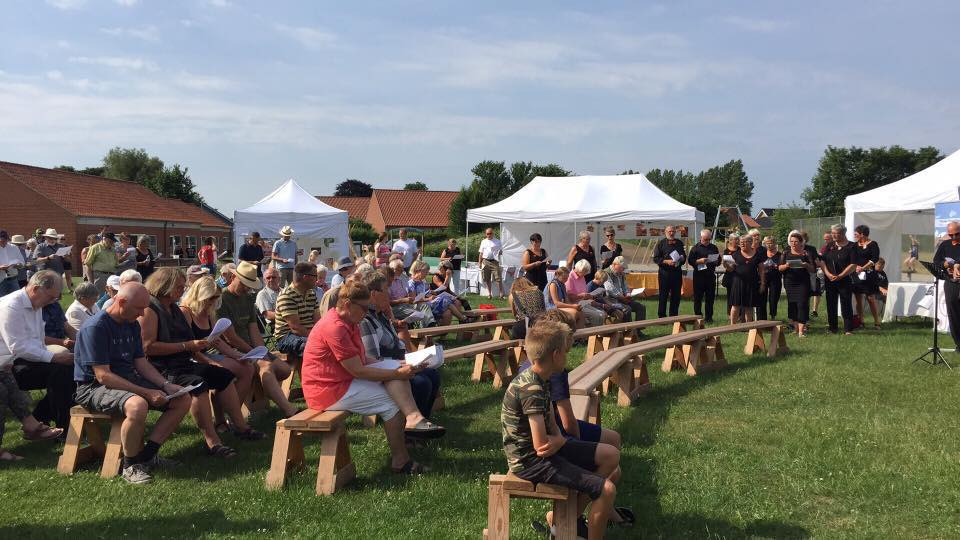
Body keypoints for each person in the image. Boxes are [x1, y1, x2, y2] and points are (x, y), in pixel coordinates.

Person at [501, 320, 624, 538]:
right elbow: (541, 447)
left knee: (611, 455)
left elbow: (552, 424)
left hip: (544, 451)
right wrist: (560, 441)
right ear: (556, 354)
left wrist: (559, 438)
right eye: (565, 353)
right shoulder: (532, 388)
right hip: (529, 462)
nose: (567, 357)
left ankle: (562, 520)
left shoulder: (541, 378)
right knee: (607, 490)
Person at [302, 280, 431, 474]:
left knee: (394, 375)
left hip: (339, 382)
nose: (367, 312)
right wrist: (396, 371)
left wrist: (399, 365)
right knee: (392, 402)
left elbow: (362, 359)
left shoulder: (348, 320)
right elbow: (358, 370)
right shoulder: (335, 327)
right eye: (364, 308)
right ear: (347, 305)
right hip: (327, 391)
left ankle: (414, 418)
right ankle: (401, 460)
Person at [72, 283, 191, 483]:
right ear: (121, 302)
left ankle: (147, 456)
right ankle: (130, 465)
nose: (143, 313)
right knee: (137, 405)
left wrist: (165, 385)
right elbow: (103, 376)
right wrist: (145, 392)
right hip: (92, 387)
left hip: (125, 379)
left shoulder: (132, 324)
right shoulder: (96, 327)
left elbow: (141, 363)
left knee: (182, 399)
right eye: (138, 308)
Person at [139, 267, 264, 458]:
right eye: (179, 287)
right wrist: (187, 346)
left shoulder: (171, 308)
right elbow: (148, 347)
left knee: (224, 376)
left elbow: (192, 344)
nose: (183, 291)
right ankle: (212, 440)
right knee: (198, 385)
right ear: (165, 286)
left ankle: (239, 426)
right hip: (162, 369)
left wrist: (201, 356)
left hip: (181, 362)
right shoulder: (151, 309)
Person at [359, 271, 445, 435]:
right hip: (383, 372)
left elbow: (398, 344)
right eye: (386, 289)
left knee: (432, 375)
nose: (389, 293)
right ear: (374, 294)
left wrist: (410, 357)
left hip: (397, 363)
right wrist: (404, 364)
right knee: (421, 382)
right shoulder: (365, 320)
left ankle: (421, 424)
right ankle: (410, 431)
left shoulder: (381, 315)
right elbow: (373, 359)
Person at [218, 261, 298, 417]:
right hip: (230, 350)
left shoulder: (248, 299)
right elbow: (230, 337)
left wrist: (263, 351)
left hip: (249, 348)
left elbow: (253, 330)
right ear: (233, 277)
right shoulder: (222, 299)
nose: (247, 288)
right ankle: (289, 410)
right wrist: (256, 353)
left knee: (285, 369)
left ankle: (265, 396)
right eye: (244, 284)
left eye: (249, 285)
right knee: (266, 368)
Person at [1, 270, 76, 434]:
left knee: (69, 371)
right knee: (61, 372)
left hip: (18, 360)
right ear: (35, 289)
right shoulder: (11, 307)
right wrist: (54, 357)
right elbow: (18, 347)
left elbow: (37, 340)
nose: (53, 301)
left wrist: (54, 357)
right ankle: (62, 426)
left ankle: (43, 418)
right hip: (7, 366)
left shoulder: (36, 304)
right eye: (51, 297)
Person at [179, 276, 257, 416]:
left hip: (205, 353)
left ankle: (233, 413)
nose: (213, 302)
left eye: (216, 298)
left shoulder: (210, 313)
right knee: (223, 372)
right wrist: (211, 362)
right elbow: (189, 348)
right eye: (210, 298)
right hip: (190, 357)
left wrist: (238, 355)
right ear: (200, 295)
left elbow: (217, 341)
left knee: (247, 368)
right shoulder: (186, 312)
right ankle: (225, 417)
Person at [274, 262, 321, 355]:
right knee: (314, 347)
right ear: (306, 277)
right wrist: (318, 338)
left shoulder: (311, 293)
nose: (317, 280)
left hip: (307, 335)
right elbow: (296, 328)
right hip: (287, 337)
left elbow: (318, 321)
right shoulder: (287, 295)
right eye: (315, 276)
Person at [819, 224, 857, 335]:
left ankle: (848, 329)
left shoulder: (852, 246)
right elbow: (822, 261)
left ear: (843, 233)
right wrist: (828, 273)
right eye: (833, 233)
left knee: (846, 303)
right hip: (830, 279)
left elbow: (853, 264)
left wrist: (841, 275)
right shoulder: (829, 246)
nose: (834, 235)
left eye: (837, 233)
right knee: (831, 303)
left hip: (845, 279)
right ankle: (832, 328)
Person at [408, 261, 470, 326]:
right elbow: (413, 300)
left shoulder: (422, 282)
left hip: (427, 303)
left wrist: (431, 294)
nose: (427, 273)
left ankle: (444, 333)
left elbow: (425, 294)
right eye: (425, 271)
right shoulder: (412, 283)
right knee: (446, 300)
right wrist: (428, 299)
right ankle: (463, 319)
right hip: (421, 306)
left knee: (448, 311)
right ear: (418, 271)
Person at [778, 231, 815, 337]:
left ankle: (801, 331)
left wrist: (805, 265)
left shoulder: (806, 253)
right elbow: (779, 268)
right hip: (790, 282)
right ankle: (795, 328)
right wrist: (786, 265)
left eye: (796, 241)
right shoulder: (785, 253)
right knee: (792, 305)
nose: (793, 243)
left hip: (803, 282)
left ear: (801, 242)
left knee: (802, 304)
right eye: (791, 241)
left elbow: (813, 269)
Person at [724, 234, 764, 325]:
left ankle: (749, 327)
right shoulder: (735, 254)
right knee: (735, 305)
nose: (741, 244)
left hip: (751, 283)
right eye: (741, 242)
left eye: (744, 242)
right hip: (738, 283)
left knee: (748, 306)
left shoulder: (757, 255)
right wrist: (726, 265)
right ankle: (732, 326)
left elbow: (761, 270)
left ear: (750, 243)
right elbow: (731, 269)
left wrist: (762, 283)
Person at [934, 222, 960, 349]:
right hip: (951, 283)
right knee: (953, 313)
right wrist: (945, 265)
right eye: (951, 235)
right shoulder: (945, 245)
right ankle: (959, 344)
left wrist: (957, 264)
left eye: (957, 234)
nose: (954, 237)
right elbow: (936, 262)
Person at [386, 259, 435, 327]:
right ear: (391, 269)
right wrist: (403, 300)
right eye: (399, 270)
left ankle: (431, 325)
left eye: (402, 270)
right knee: (419, 314)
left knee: (423, 306)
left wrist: (408, 298)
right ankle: (425, 332)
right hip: (396, 307)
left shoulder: (400, 281)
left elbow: (406, 295)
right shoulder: (388, 283)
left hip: (406, 305)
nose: (401, 272)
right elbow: (387, 303)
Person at [853, 225, 882, 330]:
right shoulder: (855, 245)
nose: (854, 236)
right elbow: (852, 258)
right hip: (857, 275)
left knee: (870, 298)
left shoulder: (873, 244)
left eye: (856, 234)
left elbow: (874, 259)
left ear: (862, 234)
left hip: (869, 275)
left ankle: (876, 321)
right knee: (858, 299)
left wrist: (863, 268)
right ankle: (861, 321)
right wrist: (856, 267)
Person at [653, 225, 685, 318]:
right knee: (663, 295)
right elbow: (656, 259)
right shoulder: (661, 243)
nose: (671, 233)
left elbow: (684, 256)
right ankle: (662, 316)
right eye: (670, 231)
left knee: (676, 295)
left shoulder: (679, 243)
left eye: (673, 231)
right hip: (664, 273)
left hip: (677, 272)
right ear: (665, 232)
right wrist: (667, 261)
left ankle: (674, 316)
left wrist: (680, 260)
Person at [688, 229, 720, 323]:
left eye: (708, 239)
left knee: (710, 298)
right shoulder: (695, 248)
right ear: (701, 237)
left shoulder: (713, 247)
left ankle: (709, 318)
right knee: (698, 298)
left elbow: (718, 260)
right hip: (699, 276)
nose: (707, 241)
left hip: (710, 275)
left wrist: (716, 261)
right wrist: (699, 261)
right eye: (705, 239)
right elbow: (690, 260)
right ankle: (698, 317)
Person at [562, 259, 606, 327]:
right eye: (585, 271)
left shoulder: (581, 276)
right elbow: (569, 296)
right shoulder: (570, 277)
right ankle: (590, 335)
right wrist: (581, 295)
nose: (586, 274)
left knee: (602, 314)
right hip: (575, 304)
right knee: (597, 315)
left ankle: (595, 334)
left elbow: (584, 291)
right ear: (580, 270)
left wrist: (589, 296)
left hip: (583, 302)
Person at [603, 256, 646, 322]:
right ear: (614, 264)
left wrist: (628, 294)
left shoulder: (621, 273)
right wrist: (622, 297)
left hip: (623, 298)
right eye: (621, 267)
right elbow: (610, 289)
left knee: (641, 307)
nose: (622, 269)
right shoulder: (606, 273)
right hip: (611, 300)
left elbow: (625, 286)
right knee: (627, 309)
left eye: (623, 268)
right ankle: (627, 331)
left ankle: (638, 330)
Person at [478, 228, 505, 299]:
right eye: (487, 234)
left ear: (493, 233)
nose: (489, 235)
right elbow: (481, 253)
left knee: (498, 278)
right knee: (487, 278)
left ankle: (501, 294)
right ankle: (489, 294)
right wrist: (479, 262)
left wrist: (498, 252)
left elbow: (501, 252)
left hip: (494, 261)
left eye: (490, 233)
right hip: (485, 261)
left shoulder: (498, 241)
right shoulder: (483, 241)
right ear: (485, 234)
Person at [761, 236, 783, 320]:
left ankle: (773, 316)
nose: (769, 245)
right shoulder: (762, 254)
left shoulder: (780, 255)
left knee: (773, 298)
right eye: (767, 243)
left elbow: (782, 267)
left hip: (775, 279)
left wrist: (776, 266)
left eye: (771, 243)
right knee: (762, 297)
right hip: (764, 278)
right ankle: (762, 317)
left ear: (774, 244)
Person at [256, 266, 281, 335]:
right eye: (268, 278)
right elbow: (268, 315)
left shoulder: (285, 291)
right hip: (277, 326)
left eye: (274, 277)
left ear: (279, 279)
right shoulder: (262, 294)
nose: (271, 279)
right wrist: (289, 316)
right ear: (264, 280)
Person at [0, 230, 25, 297]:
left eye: (5, 240)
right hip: (1, 281)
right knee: (2, 302)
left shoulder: (14, 248)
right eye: (1, 241)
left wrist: (18, 265)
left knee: (17, 299)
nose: (4, 242)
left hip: (13, 279)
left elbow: (22, 262)